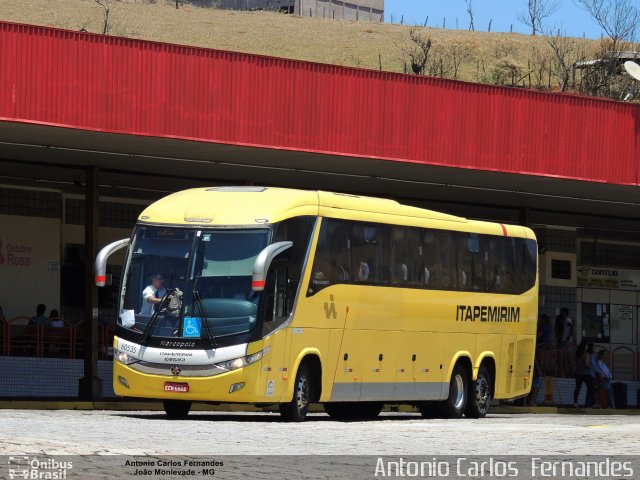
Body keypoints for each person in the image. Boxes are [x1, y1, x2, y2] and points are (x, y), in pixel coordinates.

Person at [573, 341, 597, 408]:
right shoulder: (586, 353)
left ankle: (575, 403)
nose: (587, 347)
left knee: (577, 389)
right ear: (584, 346)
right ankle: (593, 404)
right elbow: (586, 363)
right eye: (586, 346)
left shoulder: (577, 354)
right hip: (586, 374)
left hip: (578, 373)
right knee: (591, 388)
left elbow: (577, 364)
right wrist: (593, 368)